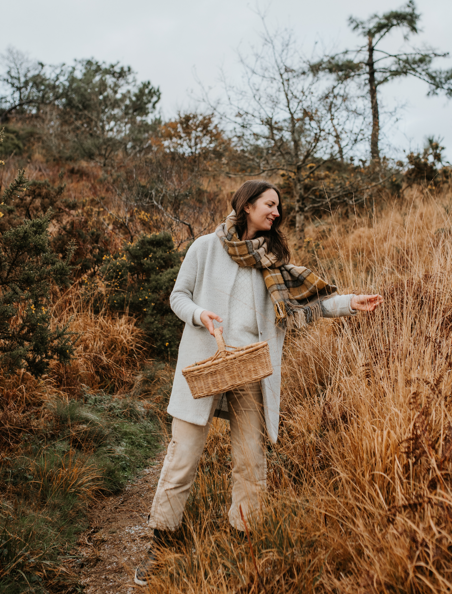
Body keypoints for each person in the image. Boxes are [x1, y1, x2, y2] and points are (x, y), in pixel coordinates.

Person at [134, 180, 383, 586]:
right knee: (183, 454)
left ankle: (244, 538)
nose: (276, 212)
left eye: (277, 207)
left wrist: (350, 303)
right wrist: (200, 315)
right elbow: (179, 297)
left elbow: (309, 303)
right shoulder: (205, 248)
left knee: (250, 458)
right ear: (247, 205)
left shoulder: (272, 261)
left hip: (252, 368)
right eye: (270, 204)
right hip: (205, 364)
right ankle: (161, 539)